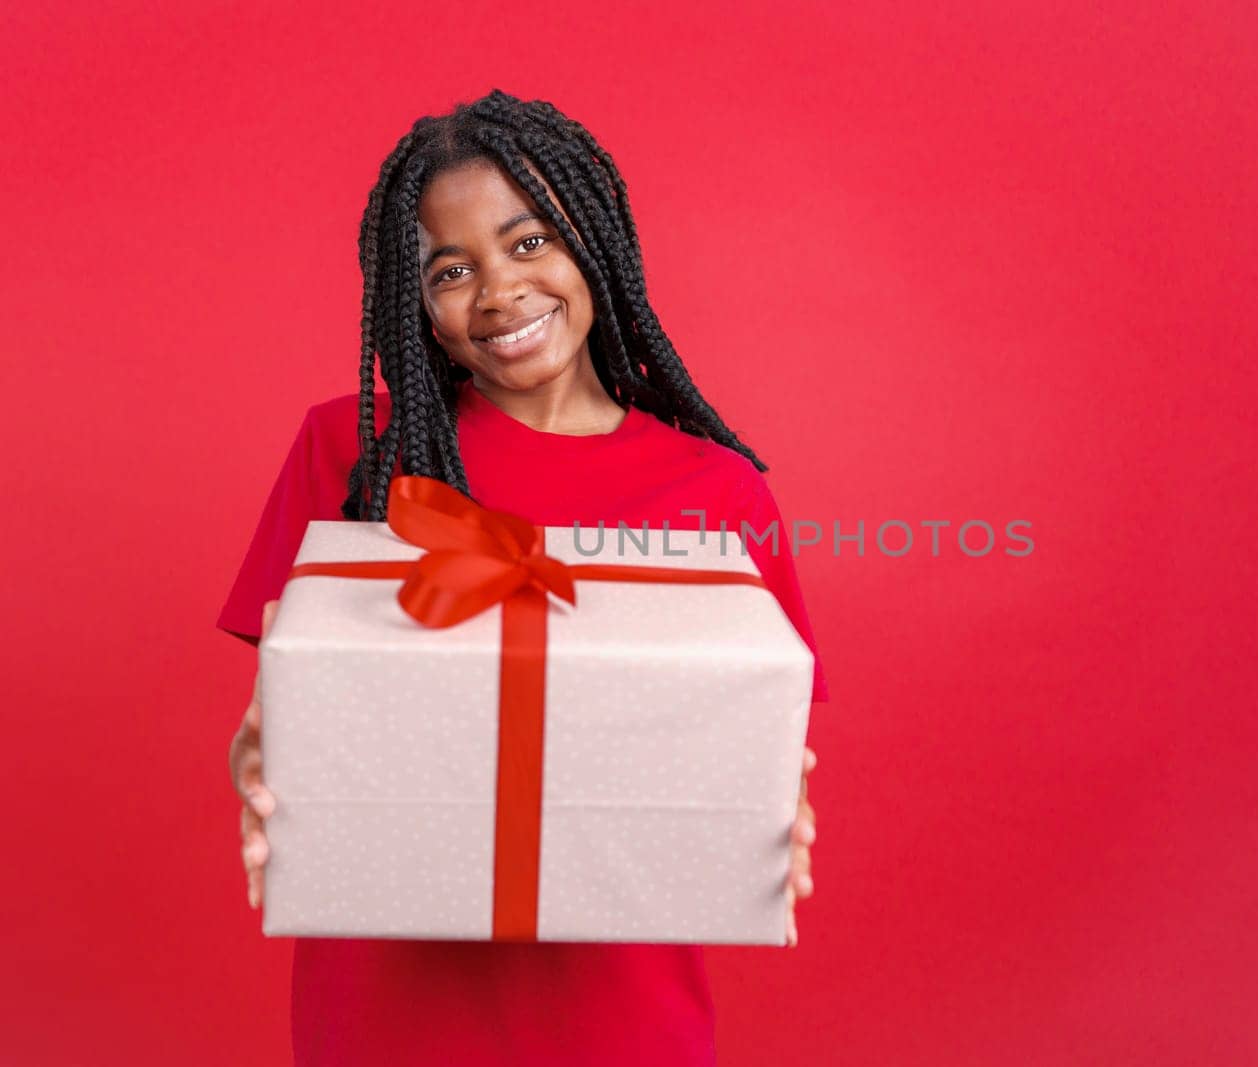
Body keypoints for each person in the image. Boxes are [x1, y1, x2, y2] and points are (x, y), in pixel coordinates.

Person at [220, 89, 828, 1065]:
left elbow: (751, 743)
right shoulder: (360, 451)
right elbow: (283, 712)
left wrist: (766, 805)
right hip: (385, 1014)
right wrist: (255, 757)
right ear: (410, 298)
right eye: (450, 269)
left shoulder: (719, 490)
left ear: (595, 239)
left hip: (620, 1018)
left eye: (529, 242)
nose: (498, 294)